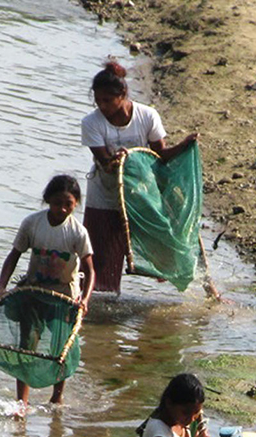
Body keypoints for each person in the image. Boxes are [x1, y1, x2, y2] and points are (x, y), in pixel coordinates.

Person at [81, 60, 198, 295]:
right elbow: (106, 164)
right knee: (101, 254)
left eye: (107, 100)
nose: (102, 106)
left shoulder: (147, 116)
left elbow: (159, 155)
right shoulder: (91, 123)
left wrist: (184, 146)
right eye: (98, 101)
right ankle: (98, 306)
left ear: (123, 94)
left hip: (140, 194)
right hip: (104, 194)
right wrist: (119, 160)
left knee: (159, 241)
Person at [0, 174, 95, 413]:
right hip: (34, 294)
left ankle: (57, 398)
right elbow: (14, 256)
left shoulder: (78, 233)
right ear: (47, 199)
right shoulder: (33, 224)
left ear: (76, 204)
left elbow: (90, 270)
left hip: (64, 298)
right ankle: (22, 402)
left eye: (68, 204)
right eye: (57, 202)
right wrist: (1, 287)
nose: (62, 209)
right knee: (26, 346)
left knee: (61, 350)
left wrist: (85, 300)